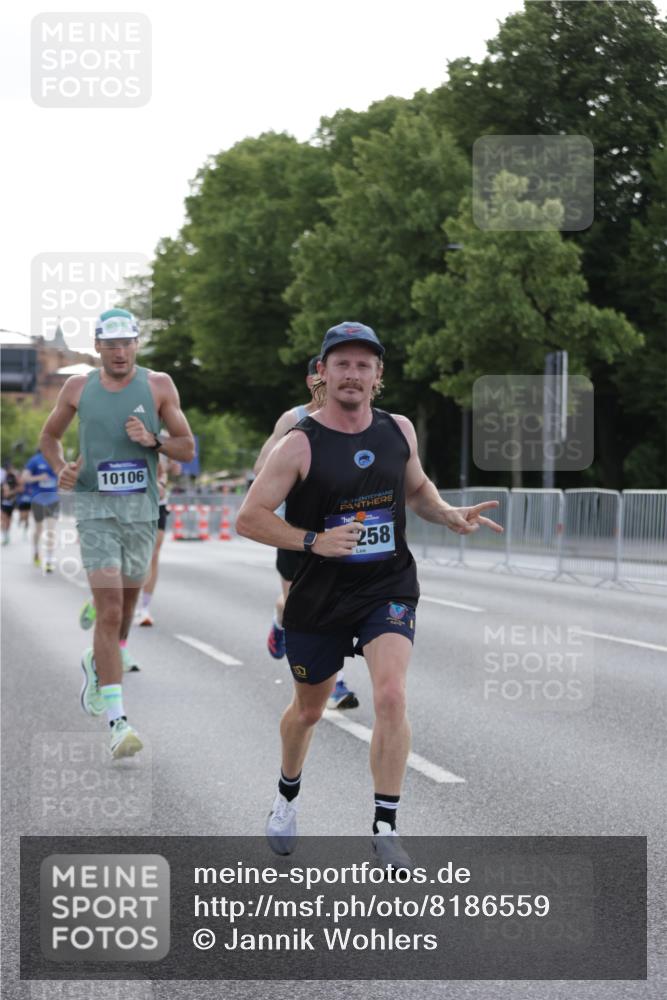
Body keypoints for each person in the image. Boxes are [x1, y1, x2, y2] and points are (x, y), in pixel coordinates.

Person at [236, 321, 503, 868]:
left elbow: (418, 488)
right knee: (309, 712)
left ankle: (385, 825)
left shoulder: (398, 429)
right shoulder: (298, 443)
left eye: (364, 365)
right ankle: (287, 794)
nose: (353, 374)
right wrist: (313, 540)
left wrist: (448, 515)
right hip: (319, 595)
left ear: (378, 375)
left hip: (388, 585)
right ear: (324, 373)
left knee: (390, 695)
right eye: (343, 364)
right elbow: (249, 518)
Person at [39, 308, 195, 758]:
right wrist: (61, 469)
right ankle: (117, 721)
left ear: (136, 345)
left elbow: (186, 446)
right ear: (98, 347)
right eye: (111, 344)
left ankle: (97, 660)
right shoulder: (76, 387)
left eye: (127, 343)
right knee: (107, 610)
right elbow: (49, 438)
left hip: (141, 512)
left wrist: (154, 441)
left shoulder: (159, 385)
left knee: (126, 608)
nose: (120, 351)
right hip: (95, 509)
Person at [253, 356, 359, 711]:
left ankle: (336, 681)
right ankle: (280, 620)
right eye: (318, 377)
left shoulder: (352, 421)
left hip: (337, 529)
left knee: (335, 603)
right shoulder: (293, 419)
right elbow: (260, 468)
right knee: (297, 603)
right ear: (312, 380)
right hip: (295, 531)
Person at [135, 448, 182, 626]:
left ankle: (144, 608)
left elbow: (168, 468)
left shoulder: (163, 436)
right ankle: (105, 598)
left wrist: (163, 481)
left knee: (153, 554)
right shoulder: (121, 429)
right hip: (129, 501)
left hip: (157, 502)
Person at [22, 449, 60, 570]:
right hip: (38, 500)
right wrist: (39, 477)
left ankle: (49, 559)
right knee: (38, 529)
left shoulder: (57, 459)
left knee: (51, 529)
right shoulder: (35, 460)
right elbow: (24, 477)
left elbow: (63, 476)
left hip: (53, 500)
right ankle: (36, 551)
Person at [1, 463, 19, 545]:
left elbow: (19, 488)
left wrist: (11, 492)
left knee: (8, 520)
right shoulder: (2, 477)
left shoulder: (14, 477)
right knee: (3, 518)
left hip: (11, 502)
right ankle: (4, 535)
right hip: (3, 502)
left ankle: (7, 534)